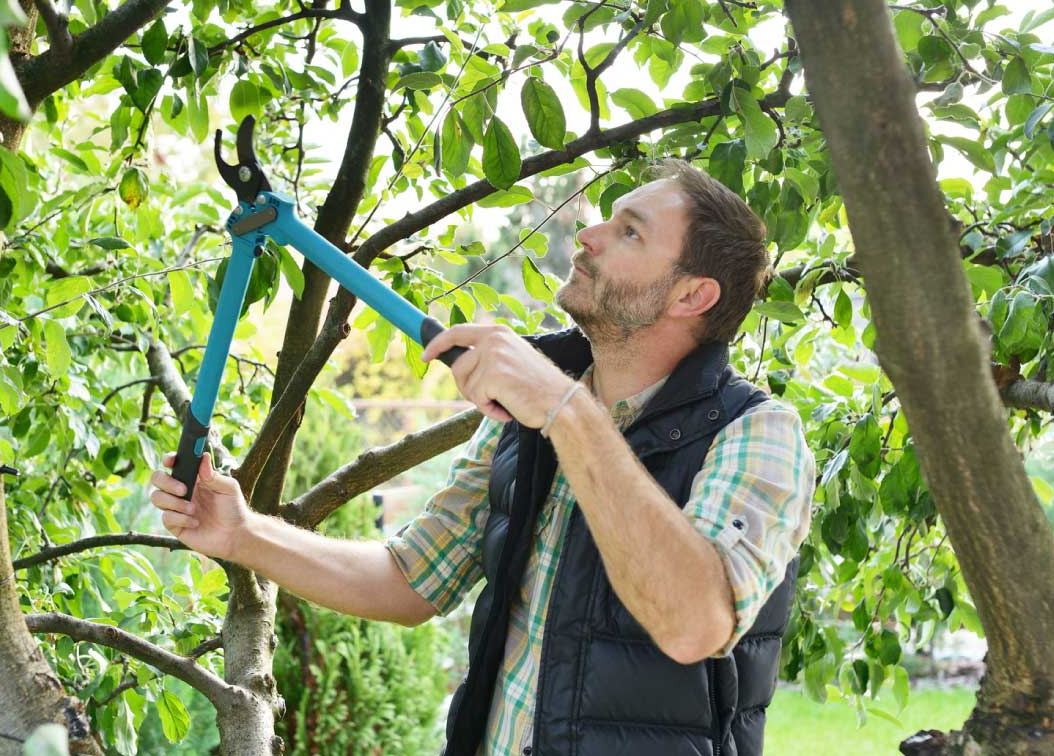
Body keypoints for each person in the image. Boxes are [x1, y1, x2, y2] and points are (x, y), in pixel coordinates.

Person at [149, 159, 816, 756]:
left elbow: (694, 624)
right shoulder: (532, 413)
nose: (589, 236)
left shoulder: (756, 434)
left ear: (691, 295)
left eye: (631, 232)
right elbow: (409, 580)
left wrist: (565, 411)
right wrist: (243, 533)